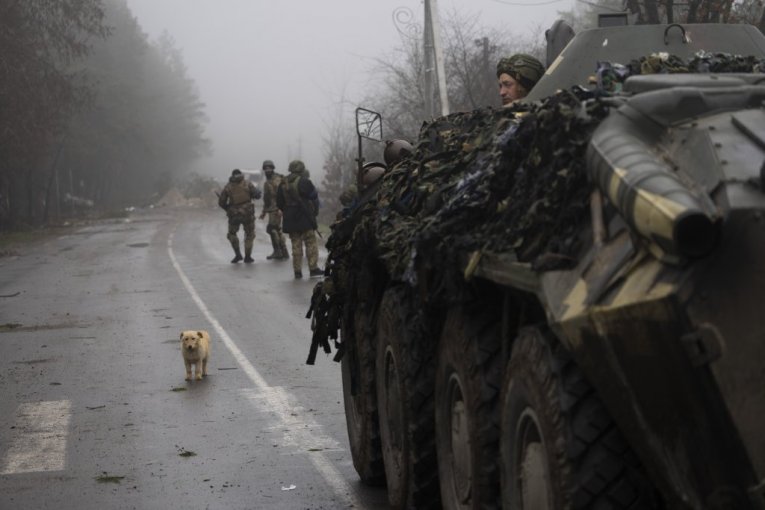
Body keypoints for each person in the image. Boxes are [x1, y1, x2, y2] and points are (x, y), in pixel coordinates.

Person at [276, 160, 322, 279]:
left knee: (295, 244)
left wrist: (288, 209)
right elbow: (313, 195)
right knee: (310, 242)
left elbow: (279, 202)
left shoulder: (282, 183)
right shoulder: (303, 181)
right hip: (304, 216)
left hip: (289, 218)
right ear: (301, 169)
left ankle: (297, 271)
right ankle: (313, 268)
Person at [218, 168, 261, 263]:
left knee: (232, 234)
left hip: (234, 215)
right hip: (248, 214)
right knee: (249, 234)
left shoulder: (228, 186)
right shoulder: (247, 183)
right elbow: (257, 195)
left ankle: (238, 255)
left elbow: (221, 202)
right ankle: (248, 257)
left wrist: (228, 208)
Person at [258, 159, 289, 260]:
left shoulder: (277, 179)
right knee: (277, 230)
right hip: (272, 208)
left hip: (277, 208)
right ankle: (283, 251)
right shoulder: (268, 181)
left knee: (272, 229)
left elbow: (284, 194)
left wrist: (282, 208)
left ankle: (278, 251)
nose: (267, 170)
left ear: (272, 168)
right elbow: (267, 199)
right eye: (265, 169)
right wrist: (264, 212)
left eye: (269, 168)